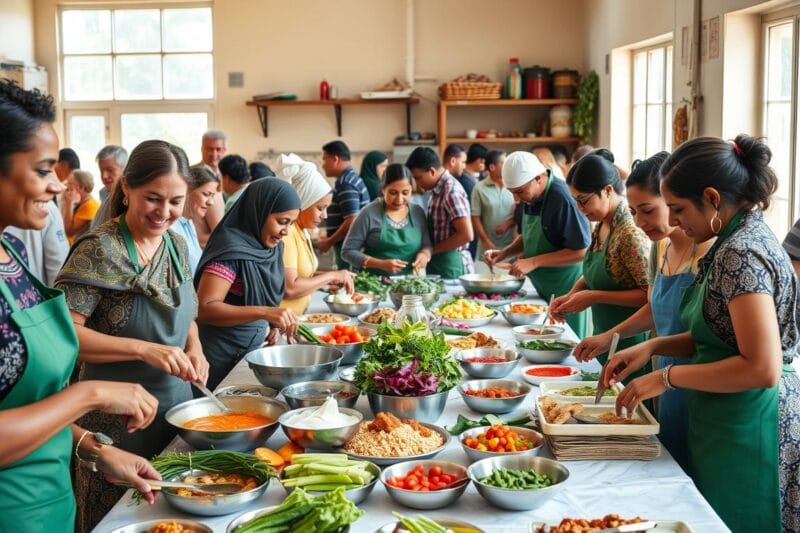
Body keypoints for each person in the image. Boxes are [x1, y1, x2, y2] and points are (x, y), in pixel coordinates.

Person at [601, 135, 800, 532]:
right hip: (723, 418)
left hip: (751, 423)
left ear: (711, 198)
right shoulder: (728, 242)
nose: (672, 221)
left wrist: (666, 376)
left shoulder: (743, 253)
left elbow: (761, 367)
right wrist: (654, 347)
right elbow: (718, 335)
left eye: (677, 209)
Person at [0, 79, 160, 533]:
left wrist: (95, 448)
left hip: (50, 506)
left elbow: (25, 406)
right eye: (43, 170)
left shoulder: (9, 253)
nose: (58, 186)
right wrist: (88, 394)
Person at [56, 140, 208, 531]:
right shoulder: (98, 250)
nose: (165, 212)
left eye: (176, 201)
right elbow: (64, 337)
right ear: (126, 188)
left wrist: (195, 347)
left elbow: (187, 313)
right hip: (112, 425)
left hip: (175, 412)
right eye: (153, 199)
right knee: (119, 521)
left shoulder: (175, 245)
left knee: (173, 520)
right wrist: (142, 349)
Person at [572, 152, 713, 471]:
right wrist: (608, 337)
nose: (639, 223)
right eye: (634, 212)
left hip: (696, 380)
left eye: (648, 211)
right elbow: (654, 308)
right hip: (661, 373)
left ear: (673, 201)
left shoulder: (706, 251)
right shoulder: (660, 246)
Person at [195, 178, 301, 390]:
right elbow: (205, 308)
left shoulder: (270, 247)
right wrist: (265, 313)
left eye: (291, 223)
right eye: (282, 221)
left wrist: (272, 323)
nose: (286, 231)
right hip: (218, 355)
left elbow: (266, 292)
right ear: (259, 211)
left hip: (251, 347)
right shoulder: (230, 248)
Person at [551, 149, 650, 371]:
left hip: (629, 341)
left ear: (607, 190)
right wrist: (571, 295)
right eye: (575, 201)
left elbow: (649, 296)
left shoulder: (630, 234)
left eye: (584, 201)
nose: (579, 209)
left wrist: (594, 296)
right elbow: (595, 273)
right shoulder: (601, 223)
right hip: (603, 334)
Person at [485, 152, 590, 337]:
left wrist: (533, 262)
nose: (516, 199)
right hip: (543, 287)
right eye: (512, 193)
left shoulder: (562, 199)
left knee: (566, 344)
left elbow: (582, 251)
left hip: (566, 289)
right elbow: (530, 235)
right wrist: (505, 252)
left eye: (519, 192)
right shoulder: (531, 195)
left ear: (539, 179)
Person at [277, 154, 354, 314]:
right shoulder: (288, 233)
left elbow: (303, 274)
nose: (324, 215)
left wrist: (334, 277)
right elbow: (289, 288)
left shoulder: (300, 230)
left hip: (298, 317)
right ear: (303, 203)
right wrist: (331, 276)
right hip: (283, 323)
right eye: (320, 208)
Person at [343, 164, 433, 276]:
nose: (399, 199)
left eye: (405, 193)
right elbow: (348, 251)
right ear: (383, 189)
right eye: (393, 193)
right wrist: (380, 264)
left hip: (409, 285)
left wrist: (424, 255)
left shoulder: (417, 212)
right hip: (375, 285)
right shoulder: (368, 213)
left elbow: (427, 245)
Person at [405, 147, 473, 278]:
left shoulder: (451, 191)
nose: (417, 183)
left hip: (452, 265)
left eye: (418, 178)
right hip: (439, 264)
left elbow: (466, 234)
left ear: (431, 171)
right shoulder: (436, 190)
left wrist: (431, 250)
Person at [317, 141, 369, 269]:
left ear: (335, 159)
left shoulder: (346, 183)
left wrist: (329, 241)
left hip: (349, 246)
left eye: (324, 160)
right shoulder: (351, 179)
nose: (323, 166)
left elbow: (352, 219)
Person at [5, 200, 69, 286]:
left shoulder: (46, 209)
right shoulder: (46, 207)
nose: (58, 188)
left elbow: (59, 269)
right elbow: (59, 268)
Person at [171, 166, 218, 275]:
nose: (211, 202)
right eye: (206, 194)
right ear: (187, 190)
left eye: (212, 196)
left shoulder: (190, 223)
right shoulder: (171, 227)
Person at [471, 150, 515, 258]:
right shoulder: (479, 188)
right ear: (492, 167)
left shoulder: (514, 185)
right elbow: (475, 218)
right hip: (487, 249)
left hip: (512, 249)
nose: (508, 167)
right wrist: (486, 241)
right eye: (504, 163)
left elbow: (522, 211)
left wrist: (509, 223)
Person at [191, 130, 227, 248]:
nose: (214, 154)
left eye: (218, 149)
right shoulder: (191, 174)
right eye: (209, 149)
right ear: (202, 149)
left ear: (224, 150)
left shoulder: (230, 176)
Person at [445, 144, 477, 260]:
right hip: (453, 254)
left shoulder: (455, 183)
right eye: (463, 162)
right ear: (453, 161)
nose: (464, 166)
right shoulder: (454, 186)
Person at [89, 144, 128, 231]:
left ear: (125, 169)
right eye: (101, 170)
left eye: (110, 170)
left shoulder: (128, 199)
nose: (104, 176)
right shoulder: (104, 192)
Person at [62, 169, 100, 245]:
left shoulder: (90, 206)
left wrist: (69, 203)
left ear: (81, 187)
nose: (66, 187)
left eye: (70, 184)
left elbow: (68, 231)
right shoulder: (81, 203)